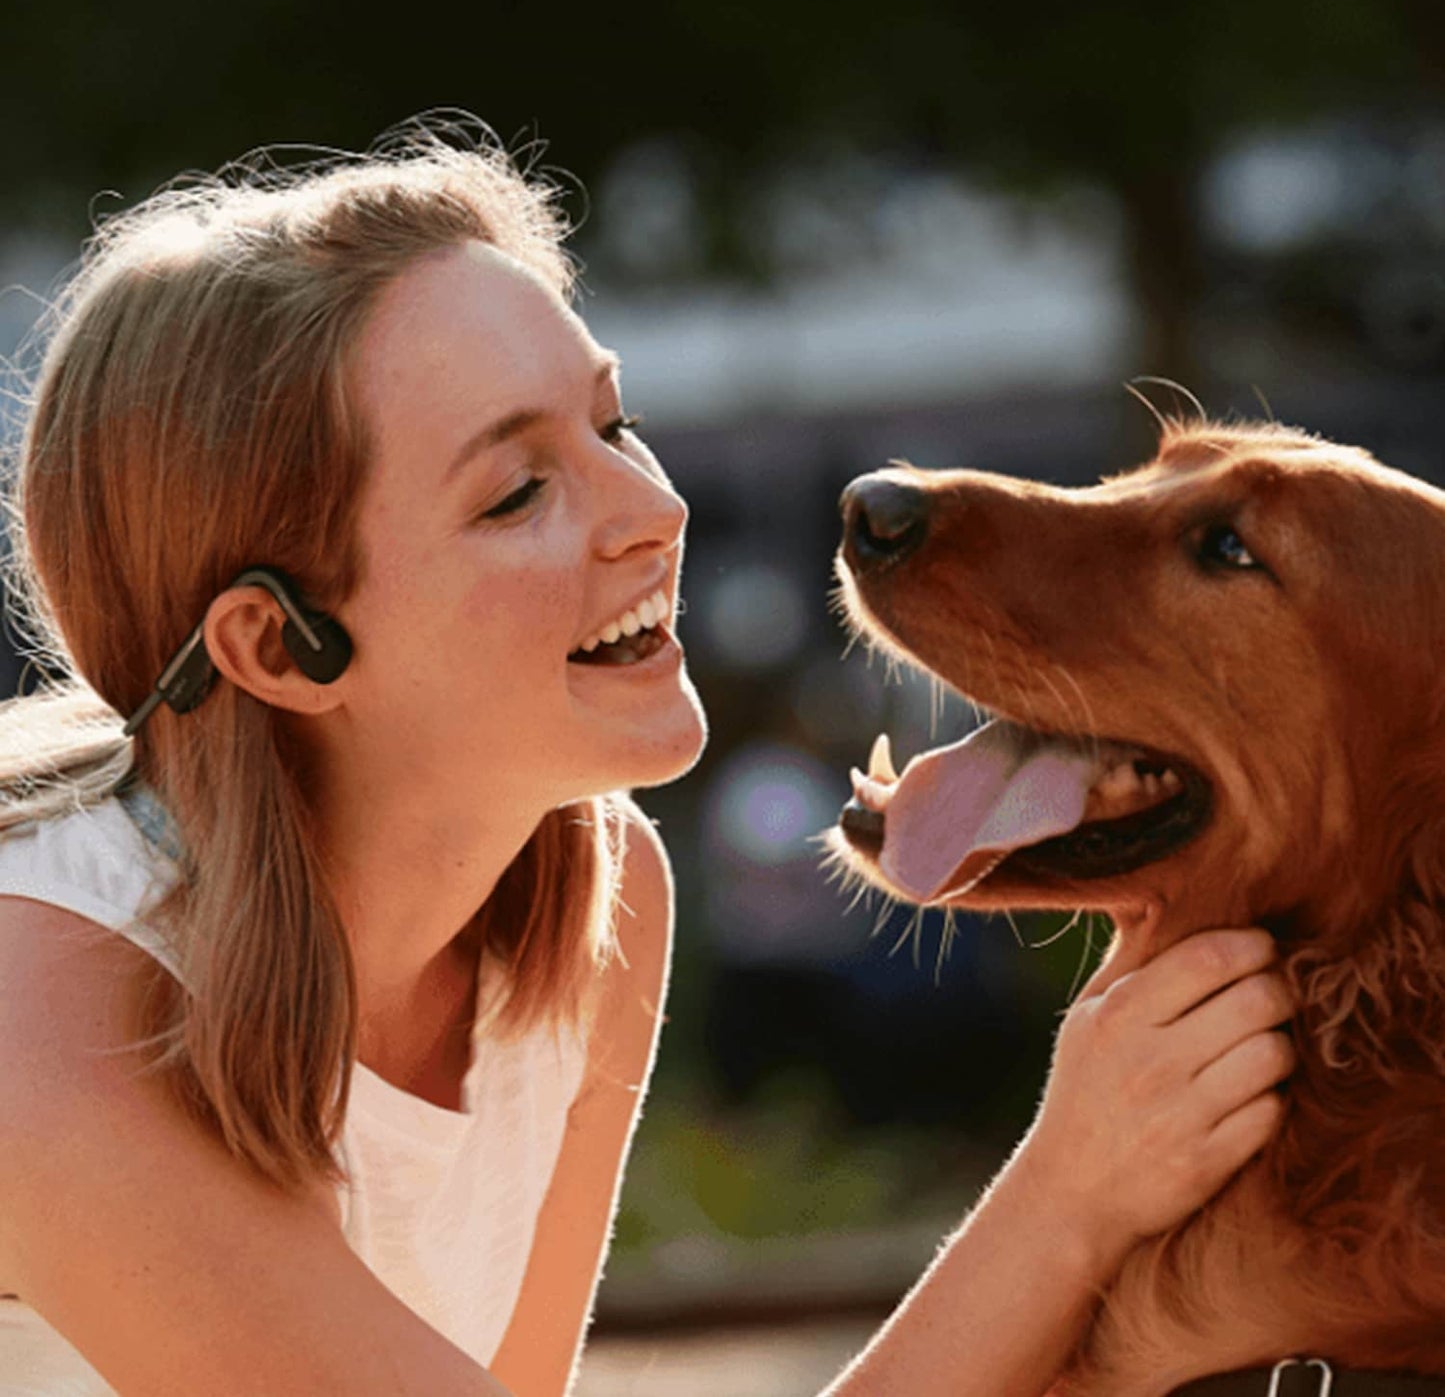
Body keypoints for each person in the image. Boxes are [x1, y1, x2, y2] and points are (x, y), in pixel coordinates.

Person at [0, 127, 1294, 1397]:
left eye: (612, 427)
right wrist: (1066, 1198)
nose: (655, 512)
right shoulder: (38, 1006)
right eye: (518, 491)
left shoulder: (594, 883)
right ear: (280, 642)